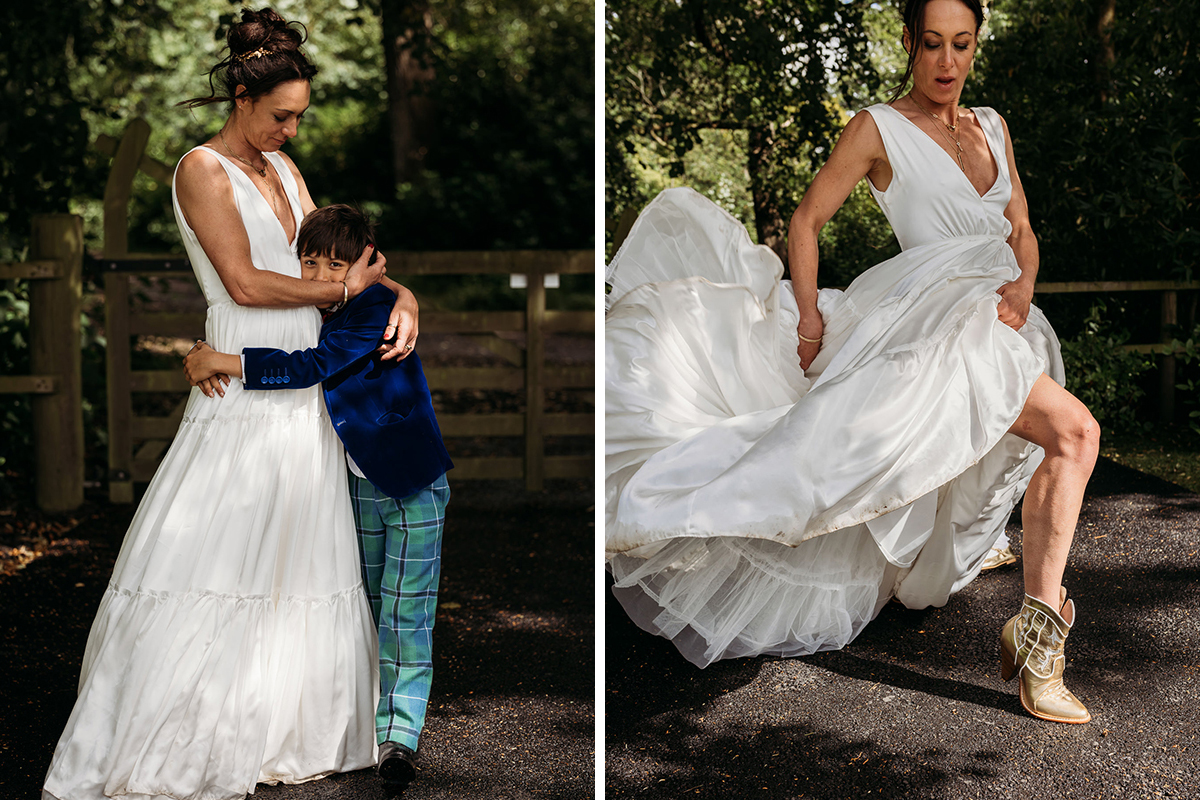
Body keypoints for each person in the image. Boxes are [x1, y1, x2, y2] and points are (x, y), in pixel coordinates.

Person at [605, 0, 1098, 725]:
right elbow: (806, 222)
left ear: (975, 46)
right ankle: (1039, 649)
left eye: (961, 45)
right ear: (908, 41)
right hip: (935, 321)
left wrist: (1024, 282)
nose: (946, 62)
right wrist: (807, 318)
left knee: (997, 453)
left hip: (998, 317)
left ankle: (983, 576)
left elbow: (1020, 226)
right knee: (1074, 434)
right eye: (931, 44)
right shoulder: (878, 127)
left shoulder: (991, 126)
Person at [43, 9, 421, 799]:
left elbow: (340, 263)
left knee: (298, 551)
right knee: (215, 545)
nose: (290, 130)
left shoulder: (284, 170)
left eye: (299, 118)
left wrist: (398, 293)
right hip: (240, 377)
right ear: (242, 99)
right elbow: (247, 281)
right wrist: (340, 290)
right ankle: (177, 728)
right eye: (281, 115)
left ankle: (284, 725)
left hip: (302, 383)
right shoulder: (200, 170)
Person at [184, 204, 454, 795]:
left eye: (336, 263)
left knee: (406, 611)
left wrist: (221, 360)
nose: (320, 273)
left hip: (410, 481)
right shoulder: (312, 307)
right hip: (356, 483)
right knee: (365, 603)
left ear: (363, 263)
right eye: (309, 261)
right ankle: (362, 718)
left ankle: (399, 739)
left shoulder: (375, 309)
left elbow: (313, 365)